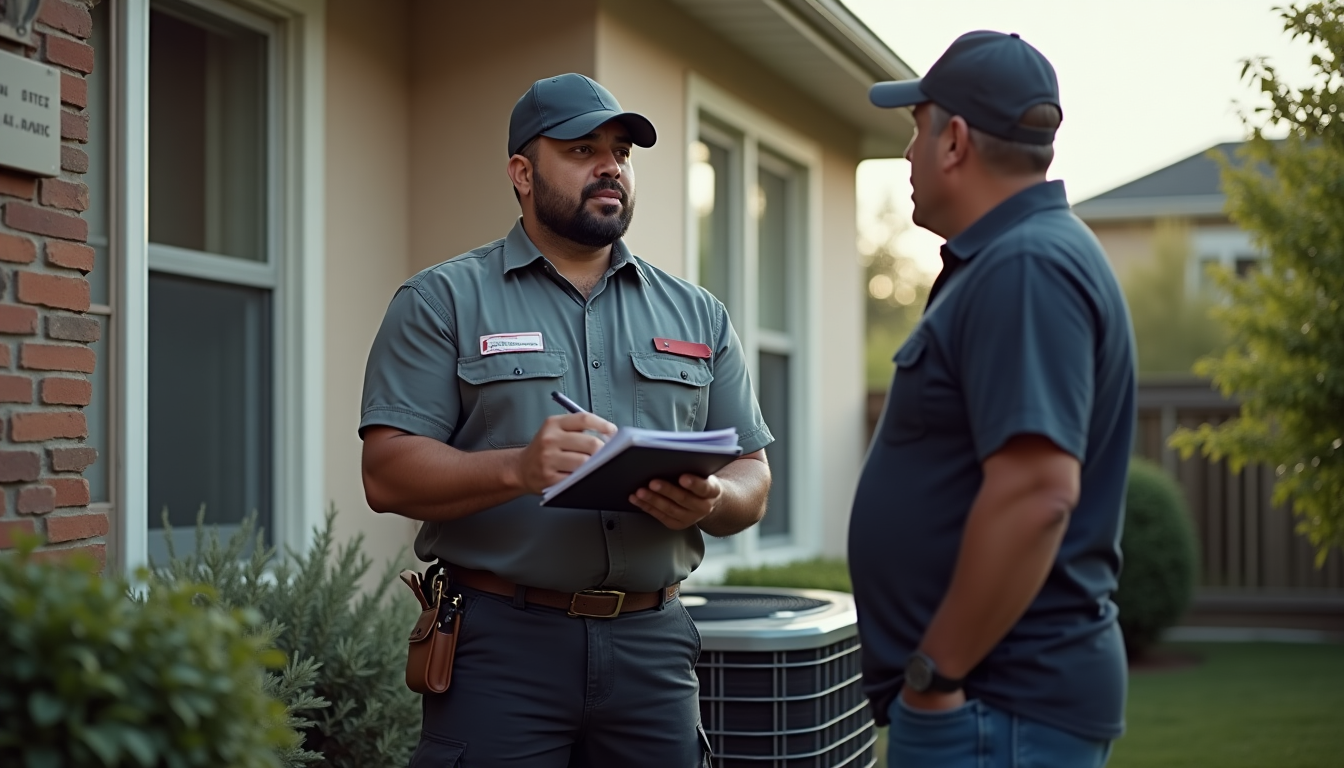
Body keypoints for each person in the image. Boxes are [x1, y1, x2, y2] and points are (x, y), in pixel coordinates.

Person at [359, 73, 774, 768]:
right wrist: (518, 468)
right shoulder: (442, 300)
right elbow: (386, 473)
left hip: (654, 646)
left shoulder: (699, 315)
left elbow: (751, 475)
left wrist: (712, 499)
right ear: (522, 173)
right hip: (502, 648)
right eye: (582, 149)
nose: (610, 165)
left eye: (620, 151)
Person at [849, 31, 1136, 768]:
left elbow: (1038, 493)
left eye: (915, 130)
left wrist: (933, 676)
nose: (907, 155)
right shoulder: (1018, 258)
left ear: (956, 141)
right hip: (995, 709)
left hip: (993, 709)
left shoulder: (1027, 266)